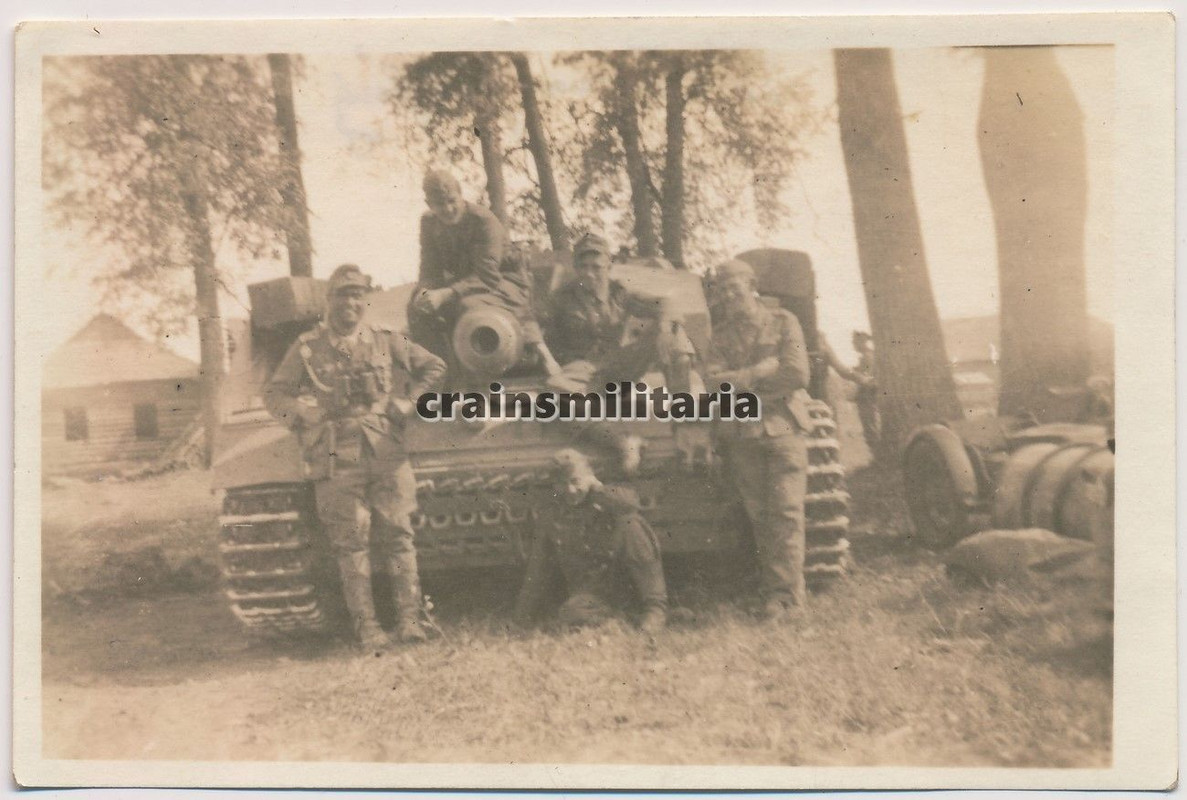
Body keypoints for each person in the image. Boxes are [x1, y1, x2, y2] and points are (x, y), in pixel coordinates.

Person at [264, 264, 447, 652]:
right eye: (341, 295)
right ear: (328, 302)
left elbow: (435, 367)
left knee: (400, 534)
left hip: (384, 445)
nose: (349, 302)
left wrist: (410, 402)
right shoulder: (308, 347)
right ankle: (368, 628)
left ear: (364, 300)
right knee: (351, 543)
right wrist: (303, 415)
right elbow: (274, 395)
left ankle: (410, 620)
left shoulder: (385, 340)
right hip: (335, 450)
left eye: (356, 295)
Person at [702, 258, 814, 619]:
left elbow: (797, 374)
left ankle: (788, 598)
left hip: (782, 426)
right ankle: (775, 593)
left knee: (786, 511)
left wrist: (741, 383)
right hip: (743, 430)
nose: (730, 294)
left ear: (752, 286)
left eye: (736, 286)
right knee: (760, 516)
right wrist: (759, 372)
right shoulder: (719, 335)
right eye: (723, 288)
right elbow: (712, 383)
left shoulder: (783, 322)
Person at [546, 231, 696, 472]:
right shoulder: (562, 299)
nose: (590, 273)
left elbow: (667, 304)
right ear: (575, 268)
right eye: (583, 266)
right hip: (583, 370)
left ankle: (685, 423)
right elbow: (539, 330)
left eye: (596, 266)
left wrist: (665, 329)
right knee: (555, 399)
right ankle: (624, 442)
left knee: (676, 337)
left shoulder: (620, 294)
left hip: (620, 365)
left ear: (609, 265)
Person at [410, 169, 559, 377]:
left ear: (461, 195)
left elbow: (487, 275)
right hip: (464, 283)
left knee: (470, 307)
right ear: (429, 205)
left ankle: (536, 354)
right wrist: (426, 292)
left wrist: (444, 294)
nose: (448, 209)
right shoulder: (428, 223)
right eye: (439, 204)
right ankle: (440, 372)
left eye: (452, 200)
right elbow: (429, 267)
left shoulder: (482, 220)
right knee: (416, 307)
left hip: (503, 280)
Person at [513, 449, 668, 633]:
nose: (570, 490)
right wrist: (519, 619)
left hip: (628, 583)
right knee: (571, 612)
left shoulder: (607, 498)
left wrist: (598, 488)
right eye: (561, 483)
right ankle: (623, 619)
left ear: (589, 477)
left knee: (631, 523)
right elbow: (537, 570)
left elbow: (630, 504)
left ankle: (655, 610)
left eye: (575, 481)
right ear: (555, 486)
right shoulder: (552, 515)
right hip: (593, 594)